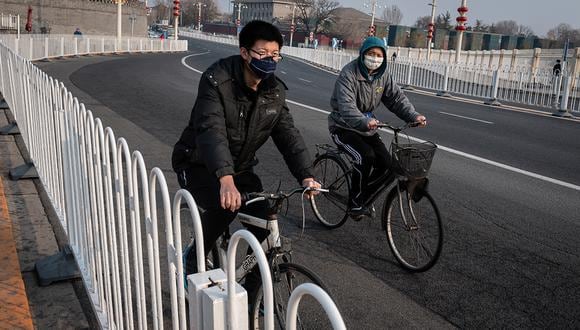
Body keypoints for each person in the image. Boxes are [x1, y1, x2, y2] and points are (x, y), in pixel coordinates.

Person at [172, 20, 320, 295]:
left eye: (275, 55)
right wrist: (225, 179)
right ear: (244, 53)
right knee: (224, 206)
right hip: (197, 162)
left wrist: (306, 174)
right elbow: (210, 130)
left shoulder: (274, 91)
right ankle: (194, 255)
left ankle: (253, 297)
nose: (270, 60)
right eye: (263, 54)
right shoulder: (217, 80)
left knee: (264, 221)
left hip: (239, 167)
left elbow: (287, 134)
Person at [328, 36, 426, 219]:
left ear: (384, 58)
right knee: (365, 156)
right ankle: (355, 203)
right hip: (342, 126)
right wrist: (364, 121)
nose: (375, 58)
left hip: (367, 127)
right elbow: (347, 107)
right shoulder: (349, 74)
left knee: (388, 165)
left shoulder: (384, 76)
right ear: (363, 54)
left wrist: (414, 116)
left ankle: (362, 196)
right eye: (371, 54)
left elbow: (397, 99)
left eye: (379, 55)